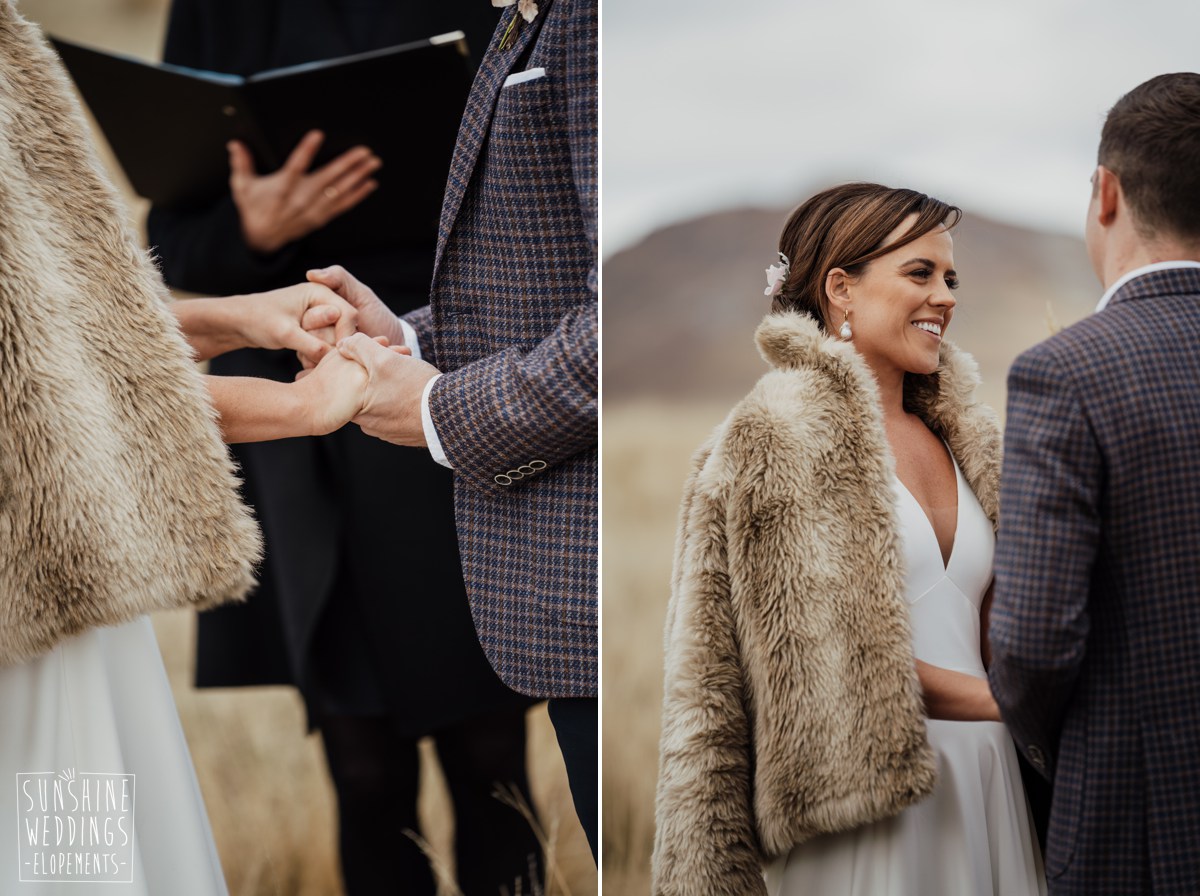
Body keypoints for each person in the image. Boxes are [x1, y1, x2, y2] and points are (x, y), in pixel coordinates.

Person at [145, 2, 542, 892]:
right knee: (361, 766)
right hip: (282, 405)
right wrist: (251, 231)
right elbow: (166, 246)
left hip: (434, 376)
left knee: (488, 750)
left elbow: (527, 207)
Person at [0, 5, 368, 891]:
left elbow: (55, 320)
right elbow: (36, 402)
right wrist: (297, 406)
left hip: (60, 583)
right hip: (30, 604)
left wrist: (235, 317)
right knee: (70, 866)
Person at [651, 183, 1046, 895]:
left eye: (951, 278)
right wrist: (1030, 701)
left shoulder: (970, 439)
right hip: (865, 808)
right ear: (841, 289)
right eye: (920, 273)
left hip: (991, 781)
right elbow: (830, 655)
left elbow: (995, 629)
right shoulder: (778, 435)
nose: (945, 297)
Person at [310, 0, 599, 857]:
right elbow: (537, 288)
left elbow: (609, 323)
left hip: (588, 552)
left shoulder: (591, 22)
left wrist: (443, 409)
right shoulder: (521, 22)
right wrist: (407, 343)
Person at [988, 72, 1200, 896]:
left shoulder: (1068, 374)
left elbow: (1035, 644)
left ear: (1106, 193)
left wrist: (1064, 759)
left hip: (1141, 830)